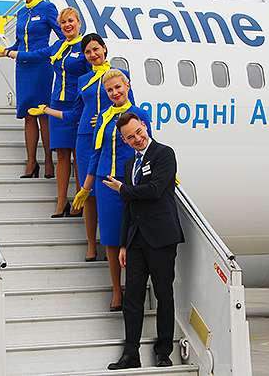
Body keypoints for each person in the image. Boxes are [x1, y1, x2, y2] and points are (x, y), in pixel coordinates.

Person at [29, 34, 133, 259]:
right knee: (89, 192)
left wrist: (109, 119)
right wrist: (47, 111)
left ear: (104, 49)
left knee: (110, 189)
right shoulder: (83, 79)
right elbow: (75, 112)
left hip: (111, 138)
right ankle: (91, 245)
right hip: (85, 138)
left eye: (96, 49)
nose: (93, 54)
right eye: (88, 52)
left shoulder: (118, 75)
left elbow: (129, 107)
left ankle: (113, 244)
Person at [102, 112, 183, 370]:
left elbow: (155, 190)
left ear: (145, 127)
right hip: (136, 239)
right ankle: (131, 353)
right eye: (130, 137)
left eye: (138, 132)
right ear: (124, 141)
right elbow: (128, 206)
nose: (137, 138)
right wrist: (123, 244)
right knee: (132, 298)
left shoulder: (164, 154)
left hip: (161, 237)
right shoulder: (130, 165)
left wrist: (123, 189)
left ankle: (164, 351)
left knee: (163, 294)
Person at [0, 8, 89, 217]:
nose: (67, 25)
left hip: (77, 105)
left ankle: (78, 202)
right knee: (62, 155)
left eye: (71, 21)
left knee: (77, 155)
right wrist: (8, 53)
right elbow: (36, 55)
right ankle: (61, 202)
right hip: (57, 104)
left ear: (79, 23)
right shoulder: (58, 46)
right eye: (63, 22)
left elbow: (92, 77)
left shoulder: (85, 47)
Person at [72, 70, 151, 311]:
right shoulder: (103, 117)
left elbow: (148, 145)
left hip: (131, 181)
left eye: (118, 87)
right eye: (110, 90)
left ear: (127, 86)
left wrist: (166, 172)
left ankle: (134, 289)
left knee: (134, 237)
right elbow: (96, 153)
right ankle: (117, 290)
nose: (115, 92)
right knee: (111, 238)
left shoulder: (139, 114)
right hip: (106, 183)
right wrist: (86, 187)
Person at [0, 0, 61, 178]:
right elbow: (19, 44)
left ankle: (48, 161)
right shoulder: (21, 13)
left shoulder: (47, 8)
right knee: (28, 115)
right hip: (23, 68)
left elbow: (62, 39)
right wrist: (1, 52)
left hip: (41, 66)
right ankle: (31, 163)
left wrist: (45, 53)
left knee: (43, 114)